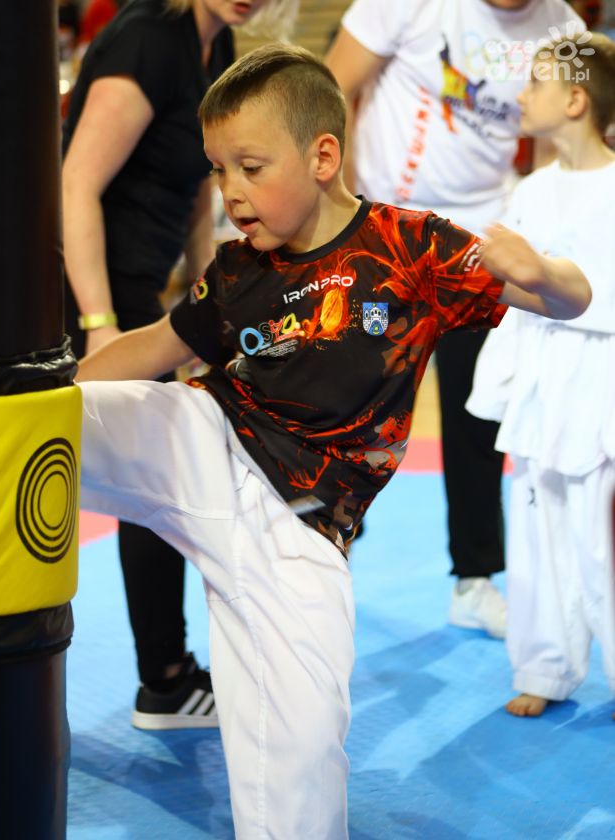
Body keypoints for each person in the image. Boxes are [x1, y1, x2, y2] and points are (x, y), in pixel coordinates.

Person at [74, 44, 590, 836]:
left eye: (250, 167)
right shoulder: (237, 269)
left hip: (305, 525)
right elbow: (154, 348)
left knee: (302, 756)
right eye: (219, 170)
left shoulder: (411, 246)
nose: (230, 191)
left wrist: (545, 274)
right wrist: (47, 387)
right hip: (208, 442)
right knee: (53, 422)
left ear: (322, 157)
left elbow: (571, 301)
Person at [62, 0, 297, 730]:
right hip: (84, 292)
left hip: (135, 291)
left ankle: (165, 676)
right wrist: (99, 323)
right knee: (148, 475)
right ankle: (163, 680)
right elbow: (74, 185)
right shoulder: (147, 41)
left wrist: (208, 307)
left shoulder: (215, 45)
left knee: (159, 474)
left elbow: (203, 190)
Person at [324, 0, 585, 640]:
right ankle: (324, 558)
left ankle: (475, 578)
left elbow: (572, 142)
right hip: (386, 231)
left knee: (476, 414)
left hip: (481, 240)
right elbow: (328, 90)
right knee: (350, 410)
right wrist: (341, 211)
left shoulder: (564, 30)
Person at [467, 32, 615, 716]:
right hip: (541, 384)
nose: (521, 95)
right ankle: (545, 667)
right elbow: (508, 295)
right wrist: (498, 386)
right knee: (537, 535)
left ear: (576, 100)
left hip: (599, 384)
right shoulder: (531, 189)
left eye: (537, 83)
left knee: (600, 546)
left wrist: (537, 275)